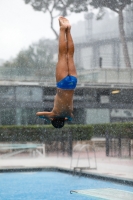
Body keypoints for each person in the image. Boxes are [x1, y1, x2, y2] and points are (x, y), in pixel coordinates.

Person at [36, 16, 77, 128]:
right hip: (62, 84)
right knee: (62, 55)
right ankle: (62, 29)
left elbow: (71, 117)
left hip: (72, 83)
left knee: (70, 55)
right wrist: (49, 117)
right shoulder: (54, 114)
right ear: (53, 119)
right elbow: (38, 114)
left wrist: (64, 118)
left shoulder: (68, 115)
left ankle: (68, 30)